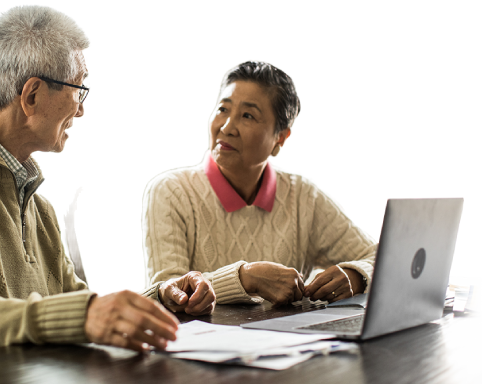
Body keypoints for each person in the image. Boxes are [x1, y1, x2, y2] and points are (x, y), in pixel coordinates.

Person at [0, 4, 214, 367]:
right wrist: (83, 316)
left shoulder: (36, 206)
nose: (83, 110)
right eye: (80, 89)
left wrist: (162, 300)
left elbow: (77, 311)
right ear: (32, 95)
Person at [143, 60, 377, 308]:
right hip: (203, 346)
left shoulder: (303, 195)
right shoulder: (170, 191)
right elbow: (164, 293)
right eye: (223, 109)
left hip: (289, 343)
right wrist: (244, 279)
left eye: (247, 115)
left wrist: (356, 275)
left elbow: (382, 258)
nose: (226, 127)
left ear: (281, 137)